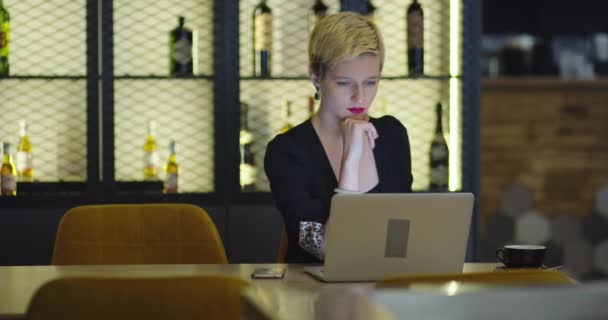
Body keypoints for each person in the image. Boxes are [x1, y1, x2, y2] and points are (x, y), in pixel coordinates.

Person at [264, 12, 413, 263]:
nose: (360, 97)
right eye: (345, 83)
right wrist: (352, 161)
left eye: (370, 82)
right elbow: (324, 250)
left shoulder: (392, 135)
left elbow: (402, 238)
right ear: (315, 77)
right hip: (313, 293)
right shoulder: (287, 152)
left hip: (385, 286)